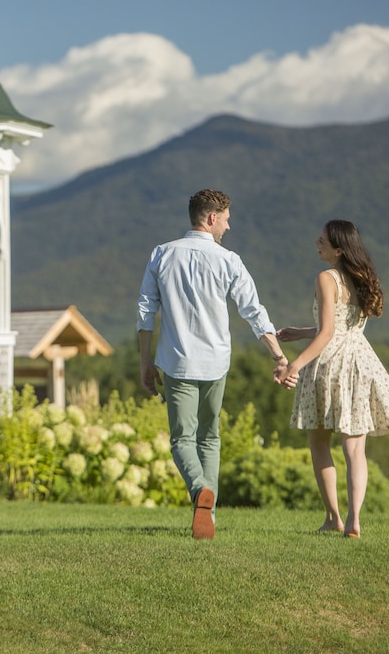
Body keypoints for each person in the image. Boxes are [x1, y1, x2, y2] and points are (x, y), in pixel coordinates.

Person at [137, 189, 288, 540]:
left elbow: (146, 312)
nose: (228, 226)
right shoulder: (229, 260)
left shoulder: (161, 254)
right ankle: (210, 514)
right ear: (211, 218)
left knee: (182, 439)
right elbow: (254, 312)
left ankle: (199, 490)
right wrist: (279, 356)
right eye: (227, 219)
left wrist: (145, 361)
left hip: (177, 362)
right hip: (216, 363)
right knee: (210, 438)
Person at [276, 220, 389, 539]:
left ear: (338, 249)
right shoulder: (362, 277)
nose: (316, 243)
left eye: (322, 241)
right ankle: (354, 521)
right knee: (354, 449)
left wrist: (293, 366)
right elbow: (342, 328)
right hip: (361, 363)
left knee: (319, 442)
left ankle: (333, 517)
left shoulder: (326, 278)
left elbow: (327, 334)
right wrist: (301, 332)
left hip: (331, 364)